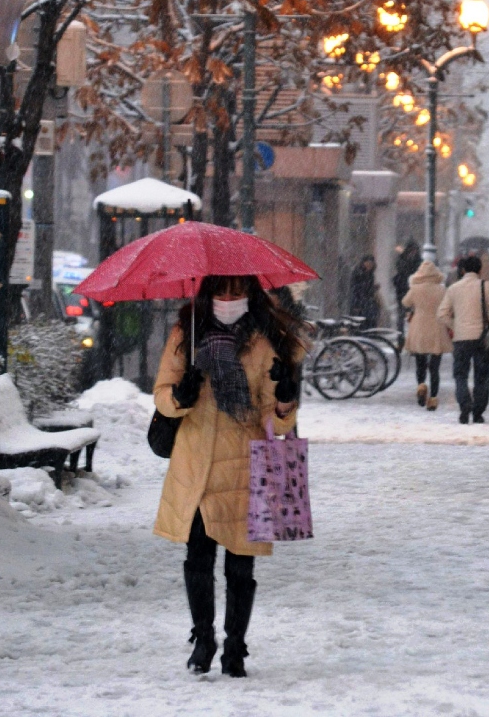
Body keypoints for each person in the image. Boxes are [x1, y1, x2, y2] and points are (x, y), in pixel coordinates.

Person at [153, 275, 305, 678]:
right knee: (198, 558)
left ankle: (235, 647)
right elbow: (163, 395)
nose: (228, 299)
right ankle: (204, 638)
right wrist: (179, 397)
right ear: (207, 293)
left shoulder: (266, 339)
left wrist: (285, 399)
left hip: (245, 464)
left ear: (251, 293)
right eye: (221, 291)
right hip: (197, 463)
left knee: (241, 567)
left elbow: (278, 422)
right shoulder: (188, 332)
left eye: (237, 291)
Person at [437, 254, 489, 424]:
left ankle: (465, 405)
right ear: (480, 270)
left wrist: (455, 325)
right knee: (482, 375)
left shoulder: (454, 288)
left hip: (461, 338)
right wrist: (486, 321)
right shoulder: (486, 287)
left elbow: (441, 314)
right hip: (481, 338)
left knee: (460, 375)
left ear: (463, 270)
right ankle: (478, 412)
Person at [401, 260, 453, 411]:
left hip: (419, 327)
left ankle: (421, 386)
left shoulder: (415, 288)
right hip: (437, 327)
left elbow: (405, 302)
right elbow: (448, 307)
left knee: (420, 363)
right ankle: (433, 399)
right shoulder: (441, 290)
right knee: (435, 367)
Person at [392, 241, 423, 343]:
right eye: (411, 250)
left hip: (414, 293)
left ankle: (412, 338)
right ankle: (401, 338)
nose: (413, 252)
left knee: (414, 317)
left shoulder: (418, 261)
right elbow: (401, 270)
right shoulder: (402, 259)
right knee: (401, 317)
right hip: (403, 292)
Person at [349, 255, 380, 330]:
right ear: (363, 263)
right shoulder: (358, 273)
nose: (369, 265)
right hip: (361, 304)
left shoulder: (370, 274)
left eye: (371, 263)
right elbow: (355, 289)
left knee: (370, 325)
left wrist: (373, 288)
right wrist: (356, 304)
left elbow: (367, 289)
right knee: (360, 326)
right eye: (368, 263)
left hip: (368, 304)